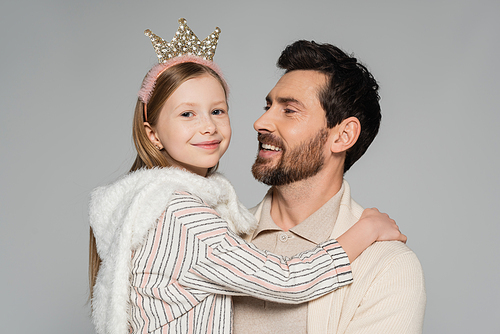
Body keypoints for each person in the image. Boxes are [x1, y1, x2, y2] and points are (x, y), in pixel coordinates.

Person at [88, 20, 406, 334]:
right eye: (187, 113)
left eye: (218, 111)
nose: (208, 126)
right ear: (152, 134)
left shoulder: (387, 266)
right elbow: (287, 279)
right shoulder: (184, 217)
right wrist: (364, 230)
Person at [232, 40, 426, 334]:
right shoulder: (217, 235)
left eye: (289, 110)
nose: (260, 122)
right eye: (268, 106)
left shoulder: (387, 267)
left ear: (343, 135)